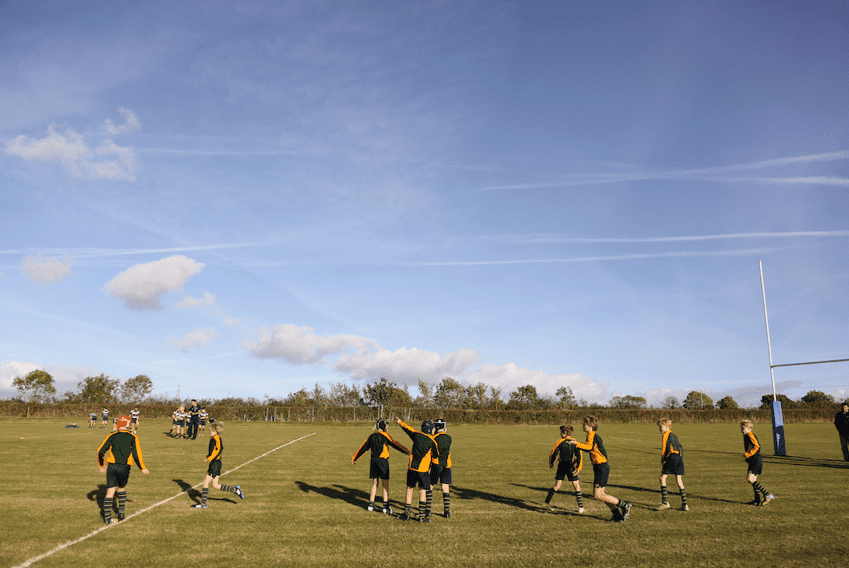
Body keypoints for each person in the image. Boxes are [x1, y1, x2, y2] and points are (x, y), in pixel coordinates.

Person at [572, 415, 631, 522]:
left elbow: (589, 447)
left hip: (601, 467)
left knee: (597, 495)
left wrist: (577, 444)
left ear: (590, 426)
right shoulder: (591, 435)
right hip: (600, 467)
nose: (582, 426)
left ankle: (624, 505)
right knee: (601, 495)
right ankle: (617, 515)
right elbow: (591, 449)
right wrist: (578, 445)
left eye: (584, 424)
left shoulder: (591, 435)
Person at [97, 415, 150, 524]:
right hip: (124, 467)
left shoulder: (112, 436)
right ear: (128, 424)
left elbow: (101, 451)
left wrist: (101, 465)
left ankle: (107, 518)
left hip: (112, 466)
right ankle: (121, 512)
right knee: (121, 488)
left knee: (110, 492)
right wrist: (142, 468)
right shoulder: (133, 437)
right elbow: (137, 454)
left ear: (118, 424)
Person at [351, 418, 410, 514]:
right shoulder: (385, 436)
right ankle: (385, 507)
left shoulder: (371, 436)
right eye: (387, 426)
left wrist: (354, 458)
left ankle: (371, 504)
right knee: (385, 484)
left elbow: (363, 448)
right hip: (383, 461)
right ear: (383, 427)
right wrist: (407, 451)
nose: (387, 428)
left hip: (373, 461)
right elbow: (395, 444)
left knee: (374, 483)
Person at [395, 417, 439, 522]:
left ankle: (406, 514)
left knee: (410, 489)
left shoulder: (417, 435)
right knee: (422, 491)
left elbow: (409, 430)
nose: (434, 430)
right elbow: (435, 457)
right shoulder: (433, 442)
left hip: (412, 468)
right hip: (423, 470)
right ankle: (422, 516)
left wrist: (400, 422)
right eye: (433, 429)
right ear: (430, 430)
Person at [193, 422, 244, 509]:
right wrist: (208, 456)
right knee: (215, 485)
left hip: (215, 463)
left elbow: (218, 450)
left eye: (211, 430)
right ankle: (236, 491)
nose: (209, 432)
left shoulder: (216, 438)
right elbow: (214, 450)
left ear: (215, 431)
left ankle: (203, 504)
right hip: (216, 462)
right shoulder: (214, 438)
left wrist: (209, 458)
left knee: (205, 483)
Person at [545, 425, 583, 514]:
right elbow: (579, 455)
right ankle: (580, 507)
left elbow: (553, 453)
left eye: (561, 432)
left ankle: (546, 503)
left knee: (557, 486)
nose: (560, 433)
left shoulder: (560, 442)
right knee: (576, 485)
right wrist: (578, 467)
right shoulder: (575, 442)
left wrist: (551, 462)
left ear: (565, 433)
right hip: (570, 466)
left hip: (561, 466)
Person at [657, 419, 688, 511]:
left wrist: (663, 458)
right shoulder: (674, 435)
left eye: (661, 426)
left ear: (666, 427)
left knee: (662, 478)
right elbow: (680, 447)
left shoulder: (665, 435)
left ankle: (665, 502)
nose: (659, 428)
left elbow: (664, 448)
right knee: (679, 481)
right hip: (679, 458)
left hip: (672, 457)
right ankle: (685, 504)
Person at [741, 420, 774, 506]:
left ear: (748, 428)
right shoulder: (746, 435)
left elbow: (757, 446)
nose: (741, 429)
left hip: (756, 459)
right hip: (753, 459)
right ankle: (757, 500)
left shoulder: (749, 435)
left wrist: (748, 454)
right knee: (753, 480)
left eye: (743, 428)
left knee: (750, 479)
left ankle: (767, 494)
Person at [430, 418, 453, 518]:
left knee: (430, 486)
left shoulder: (433, 438)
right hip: (447, 464)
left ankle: (428, 509)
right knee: (445, 487)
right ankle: (447, 511)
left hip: (436, 464)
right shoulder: (449, 438)